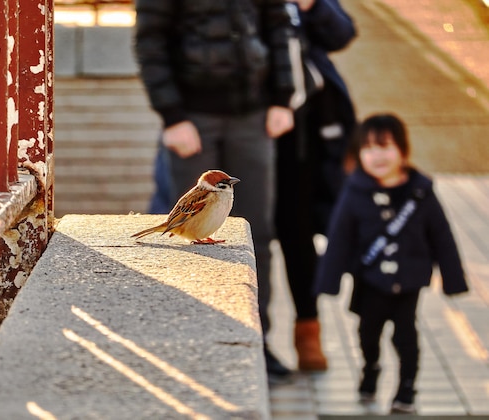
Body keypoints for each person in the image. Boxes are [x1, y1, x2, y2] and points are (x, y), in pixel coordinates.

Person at [134, 0, 297, 381]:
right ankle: (190, 337)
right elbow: (150, 40)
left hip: (253, 112)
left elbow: (278, 26)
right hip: (193, 117)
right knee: (187, 235)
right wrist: (171, 115)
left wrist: (282, 97)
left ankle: (258, 339)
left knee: (258, 233)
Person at [313, 113, 468, 413]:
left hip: (410, 281)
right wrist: (327, 281)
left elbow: (442, 236)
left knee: (406, 336)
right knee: (367, 334)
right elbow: (340, 238)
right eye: (368, 149)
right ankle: (371, 368)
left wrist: (453, 279)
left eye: (385, 146)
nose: (377, 155)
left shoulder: (420, 192)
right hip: (369, 282)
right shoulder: (354, 191)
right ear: (359, 155)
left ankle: (406, 388)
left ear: (402, 150)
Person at [273, 0, 357, 372]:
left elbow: (341, 33)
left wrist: (310, 4)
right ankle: (253, 331)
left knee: (298, 231)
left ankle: (307, 329)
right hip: (241, 120)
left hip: (304, 135)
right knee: (249, 231)